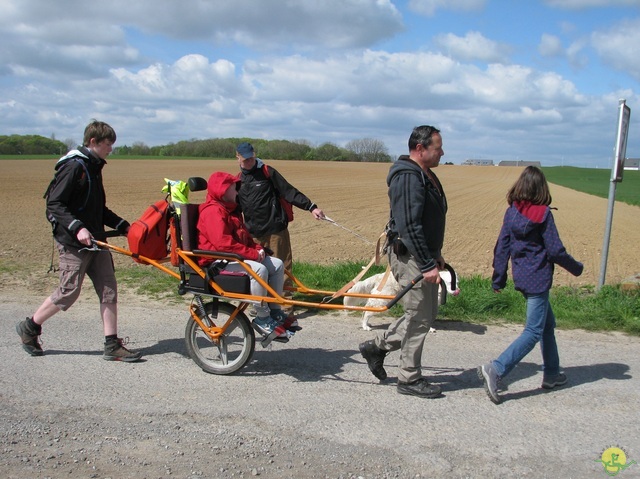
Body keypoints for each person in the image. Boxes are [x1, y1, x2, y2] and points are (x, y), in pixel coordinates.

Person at [16, 120, 141, 362]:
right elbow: (55, 203)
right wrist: (78, 228)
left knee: (109, 290)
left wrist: (125, 226)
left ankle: (111, 344)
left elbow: (97, 209)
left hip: (96, 241)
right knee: (68, 292)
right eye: (107, 144)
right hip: (74, 242)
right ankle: (30, 327)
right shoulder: (74, 167)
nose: (111, 149)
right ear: (93, 142)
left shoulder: (94, 167)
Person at [478, 166, 583, 404]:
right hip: (539, 279)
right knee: (533, 330)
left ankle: (552, 375)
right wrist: (576, 268)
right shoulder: (543, 214)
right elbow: (555, 250)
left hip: (523, 278)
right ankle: (497, 368)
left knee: (547, 325)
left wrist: (499, 278)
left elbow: (502, 246)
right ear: (541, 188)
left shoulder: (512, 212)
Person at [359, 125, 447, 398]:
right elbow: (409, 226)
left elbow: (426, 221)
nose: (442, 152)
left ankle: (377, 347)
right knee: (419, 317)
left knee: (425, 314)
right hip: (410, 255)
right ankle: (409, 379)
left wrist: (436, 254)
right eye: (437, 148)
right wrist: (427, 263)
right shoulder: (408, 177)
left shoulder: (425, 174)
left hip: (422, 254)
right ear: (420, 149)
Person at [196, 171, 288, 339]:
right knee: (259, 270)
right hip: (216, 262)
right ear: (222, 191)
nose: (237, 192)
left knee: (277, 264)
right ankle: (262, 317)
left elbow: (243, 238)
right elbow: (223, 244)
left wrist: (258, 249)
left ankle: (275, 312)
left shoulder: (231, 211)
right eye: (233, 189)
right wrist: (252, 254)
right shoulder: (213, 212)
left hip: (230, 257)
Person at [235, 142, 325, 313]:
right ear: (237, 157)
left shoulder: (268, 172)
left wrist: (311, 207)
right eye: (245, 159)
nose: (249, 161)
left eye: (251, 158)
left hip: (275, 230)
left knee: (282, 268)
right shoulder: (238, 180)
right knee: (257, 271)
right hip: (253, 234)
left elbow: (289, 192)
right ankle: (260, 303)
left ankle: (285, 306)